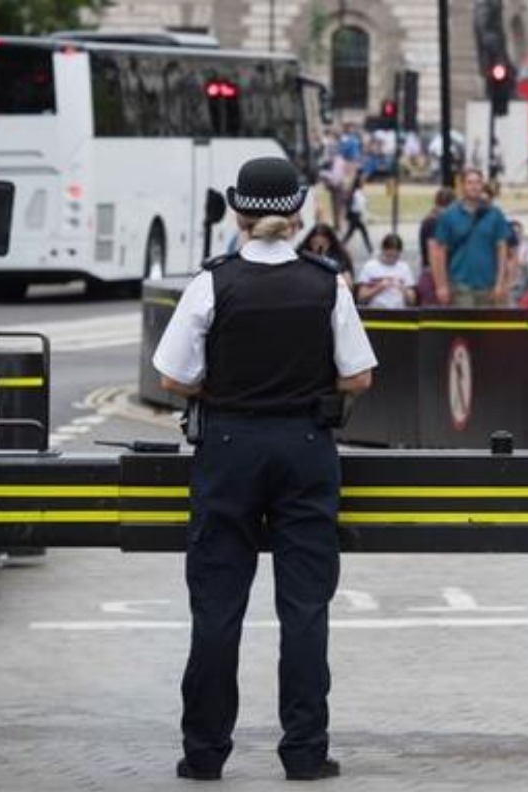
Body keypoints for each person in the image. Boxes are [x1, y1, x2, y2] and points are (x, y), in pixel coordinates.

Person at [153, 157, 377, 783]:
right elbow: (359, 375)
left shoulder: (212, 284)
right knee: (304, 607)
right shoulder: (326, 283)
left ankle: (205, 753)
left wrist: (224, 390)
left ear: (239, 213)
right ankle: (304, 751)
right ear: (297, 213)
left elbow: (172, 376)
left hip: (228, 447)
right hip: (305, 447)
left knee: (217, 607)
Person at [428, 168, 512, 307]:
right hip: (460, 285)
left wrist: (500, 282)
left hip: (488, 285)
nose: (474, 187)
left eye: (478, 182)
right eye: (470, 183)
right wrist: (441, 285)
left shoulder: (494, 214)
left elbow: (502, 249)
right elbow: (440, 251)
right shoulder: (449, 215)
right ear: (462, 186)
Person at [356, 233, 417, 308]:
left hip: (399, 311)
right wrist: (379, 287)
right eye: (389, 253)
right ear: (383, 250)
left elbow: (412, 300)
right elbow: (361, 297)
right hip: (376, 310)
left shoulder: (404, 268)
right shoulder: (370, 266)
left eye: (395, 254)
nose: (392, 255)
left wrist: (402, 288)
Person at [340, 173, 373, 254]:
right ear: (358, 183)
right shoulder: (355, 193)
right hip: (355, 216)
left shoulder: (358, 192)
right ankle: (370, 250)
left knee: (351, 233)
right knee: (360, 232)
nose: (363, 183)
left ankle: (340, 246)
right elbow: (357, 205)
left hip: (357, 216)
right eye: (361, 182)